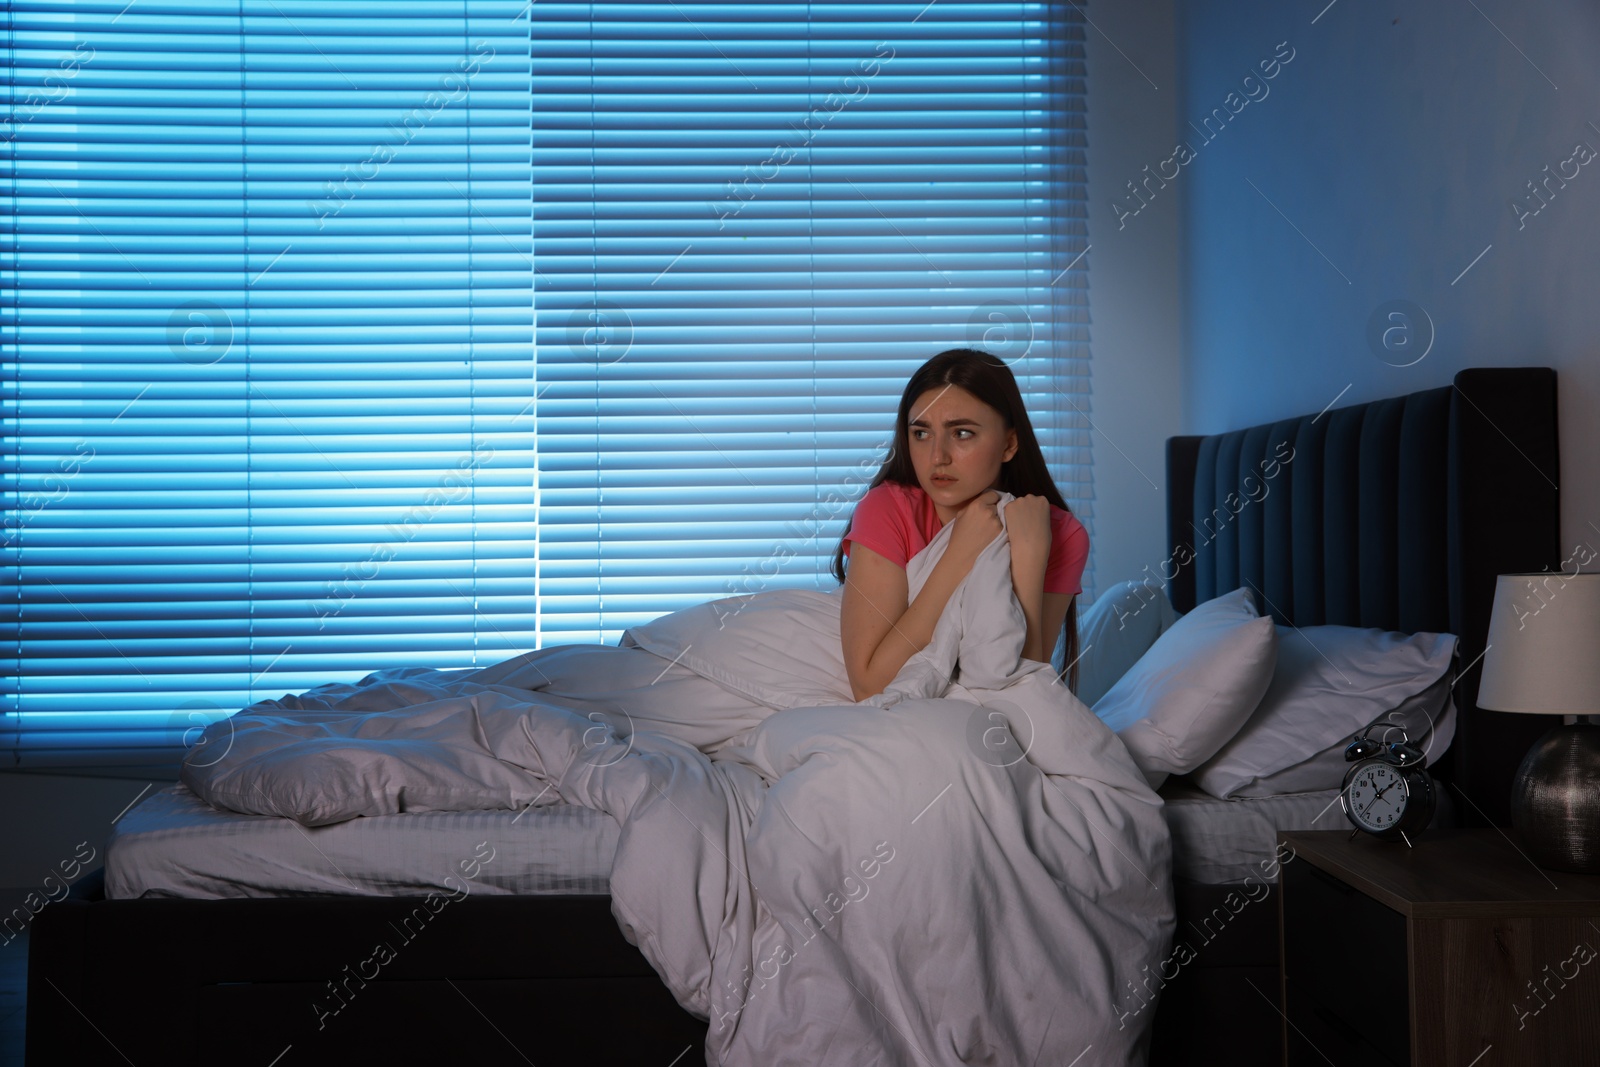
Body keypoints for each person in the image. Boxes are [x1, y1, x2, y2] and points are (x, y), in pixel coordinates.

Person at [832, 348, 1088, 701]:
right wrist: (960, 552)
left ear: (1009, 444)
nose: (938, 456)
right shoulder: (886, 508)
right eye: (921, 433)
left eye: (962, 433)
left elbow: (1023, 691)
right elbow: (869, 686)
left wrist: (1030, 555)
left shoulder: (1061, 533)